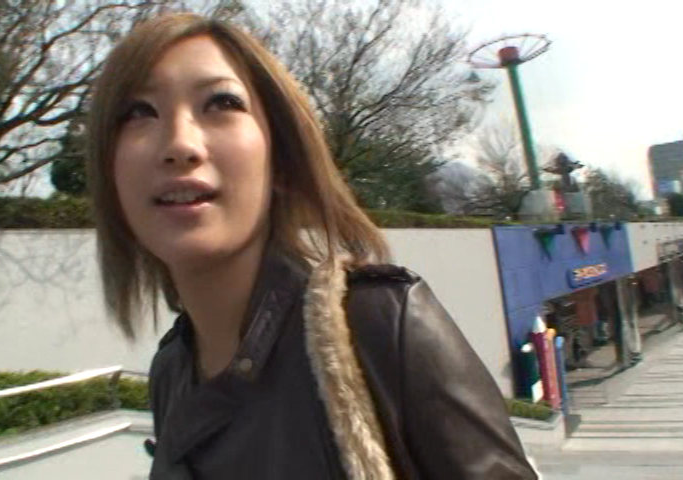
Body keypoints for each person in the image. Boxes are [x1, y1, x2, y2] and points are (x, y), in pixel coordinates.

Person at [87, 12, 537, 480]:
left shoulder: (382, 326)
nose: (180, 145)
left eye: (221, 102)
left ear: (282, 160)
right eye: (139, 112)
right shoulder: (170, 374)